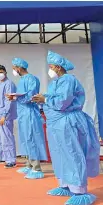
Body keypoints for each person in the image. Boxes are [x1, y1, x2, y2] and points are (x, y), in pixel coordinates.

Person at [32, 51, 100, 205]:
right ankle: (65, 185)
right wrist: (41, 100)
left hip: (67, 122)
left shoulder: (68, 80)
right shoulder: (54, 83)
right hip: (55, 124)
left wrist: (45, 98)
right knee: (59, 154)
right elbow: (53, 101)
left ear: (57, 67)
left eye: (50, 66)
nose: (49, 70)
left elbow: (63, 102)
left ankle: (79, 191)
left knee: (72, 153)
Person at [6, 58, 47, 179]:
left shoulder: (31, 79)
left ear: (19, 67)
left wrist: (17, 98)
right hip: (23, 113)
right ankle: (29, 164)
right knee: (25, 138)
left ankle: (36, 168)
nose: (13, 70)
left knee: (31, 138)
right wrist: (14, 98)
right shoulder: (22, 80)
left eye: (14, 68)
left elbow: (30, 96)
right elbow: (21, 97)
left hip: (30, 112)